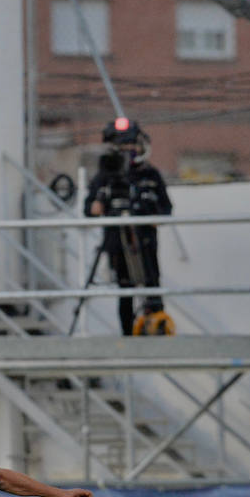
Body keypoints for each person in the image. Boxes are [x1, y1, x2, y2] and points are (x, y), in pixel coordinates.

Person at [84, 118, 172, 336]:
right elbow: (88, 209)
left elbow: (165, 207)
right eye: (120, 147)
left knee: (152, 283)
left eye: (130, 146)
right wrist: (96, 206)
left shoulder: (149, 175)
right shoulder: (105, 178)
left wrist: (154, 216)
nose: (126, 151)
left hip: (145, 241)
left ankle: (155, 327)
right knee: (125, 289)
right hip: (116, 242)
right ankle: (127, 333)